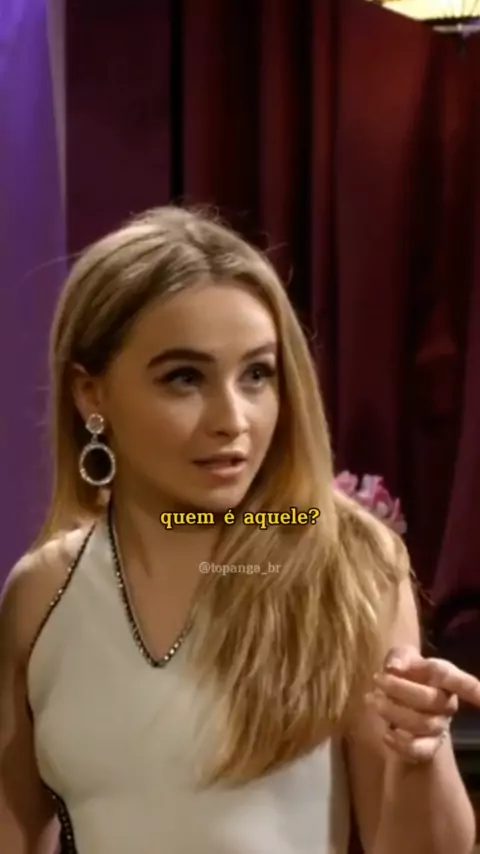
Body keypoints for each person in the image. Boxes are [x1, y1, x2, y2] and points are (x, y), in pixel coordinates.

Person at [0, 206, 479, 854]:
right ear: (92, 395)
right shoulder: (41, 594)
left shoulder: (347, 563)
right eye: (184, 378)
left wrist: (421, 755)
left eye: (257, 374)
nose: (233, 419)